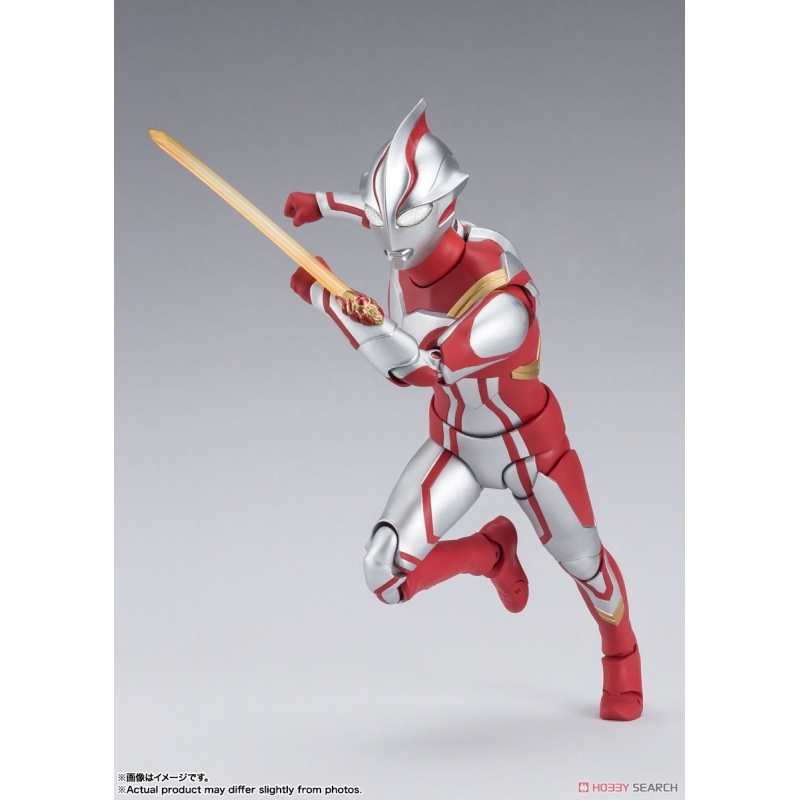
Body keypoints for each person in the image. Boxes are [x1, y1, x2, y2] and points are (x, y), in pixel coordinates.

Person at [283, 100, 642, 721]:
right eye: (384, 219)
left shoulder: (503, 298)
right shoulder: (407, 239)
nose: (390, 236)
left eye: (407, 217)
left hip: (530, 451)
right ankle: (491, 554)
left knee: (586, 565)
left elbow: (417, 369)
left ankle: (623, 656)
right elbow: (376, 209)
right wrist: (322, 202)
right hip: (454, 444)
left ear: (445, 205)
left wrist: (327, 296)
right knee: (385, 573)